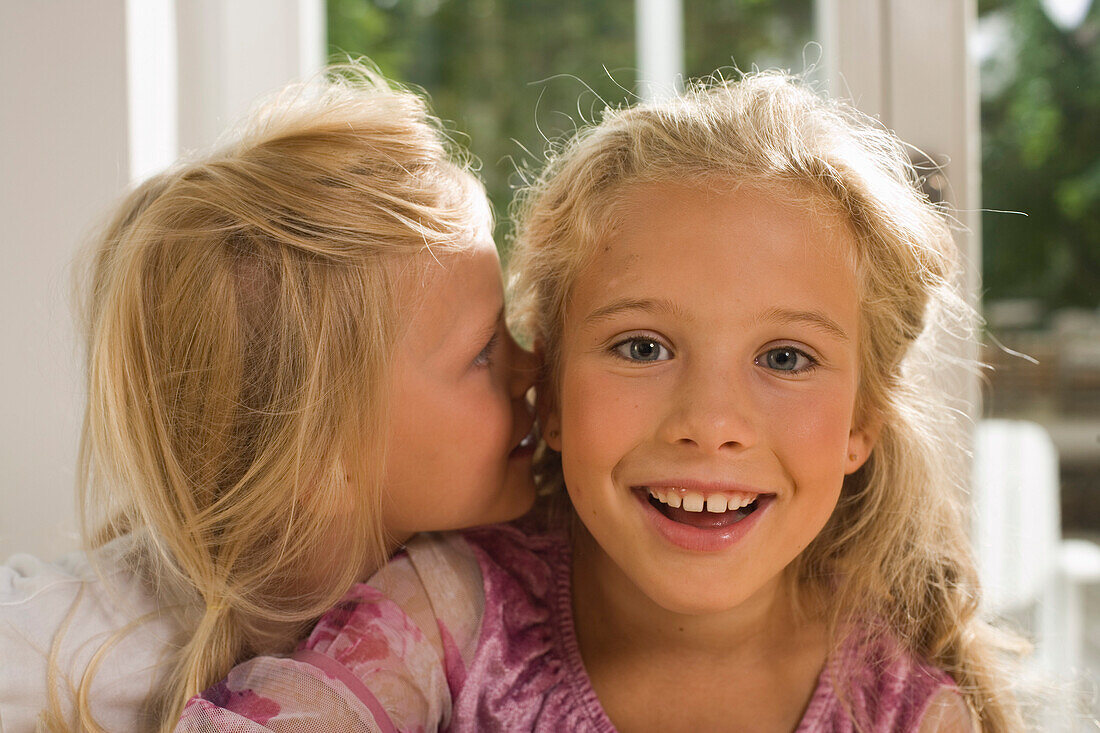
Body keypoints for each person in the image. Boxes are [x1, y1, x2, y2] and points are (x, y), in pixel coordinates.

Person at [176, 71, 1025, 732]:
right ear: (545, 383)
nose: (711, 424)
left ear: (861, 422)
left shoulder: (906, 709)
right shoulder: (451, 612)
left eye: (786, 356)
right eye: (642, 347)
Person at [0, 65, 539, 732]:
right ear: (320, 457)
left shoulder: (481, 574)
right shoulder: (69, 641)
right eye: (483, 352)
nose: (530, 367)